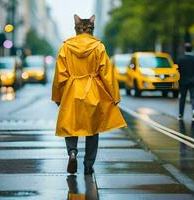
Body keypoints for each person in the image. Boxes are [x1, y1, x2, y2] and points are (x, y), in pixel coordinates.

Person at [52, 14, 127, 175]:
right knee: (93, 128)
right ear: (91, 28)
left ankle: (72, 152)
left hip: (72, 90)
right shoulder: (98, 47)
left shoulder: (66, 47)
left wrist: (58, 97)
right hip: (93, 91)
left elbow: (60, 74)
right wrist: (114, 96)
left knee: (71, 126)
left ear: (76, 28)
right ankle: (88, 164)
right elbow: (107, 73)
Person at [177, 43, 194, 121]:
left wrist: (179, 81)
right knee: (193, 97)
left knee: (182, 98)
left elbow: (178, 71)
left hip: (183, 82)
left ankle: (180, 114)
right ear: (191, 49)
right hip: (193, 82)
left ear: (185, 49)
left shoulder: (180, 59)